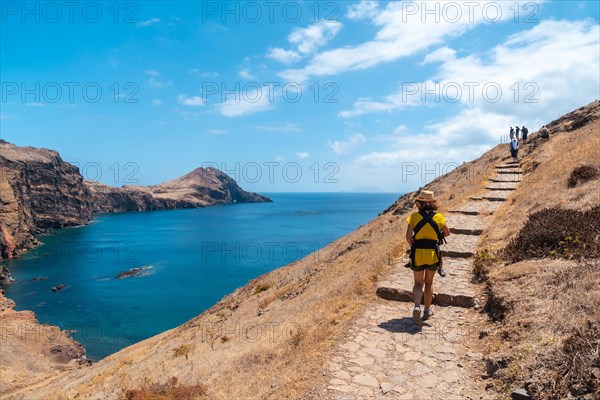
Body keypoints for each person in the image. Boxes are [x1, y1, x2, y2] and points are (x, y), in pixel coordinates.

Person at [405, 190, 450, 325]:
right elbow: (447, 233)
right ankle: (427, 310)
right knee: (429, 282)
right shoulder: (439, 217)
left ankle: (417, 306)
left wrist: (415, 243)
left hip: (418, 253)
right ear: (433, 203)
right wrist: (436, 234)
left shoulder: (413, 217)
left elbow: (408, 237)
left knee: (418, 283)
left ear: (419, 203)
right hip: (432, 254)